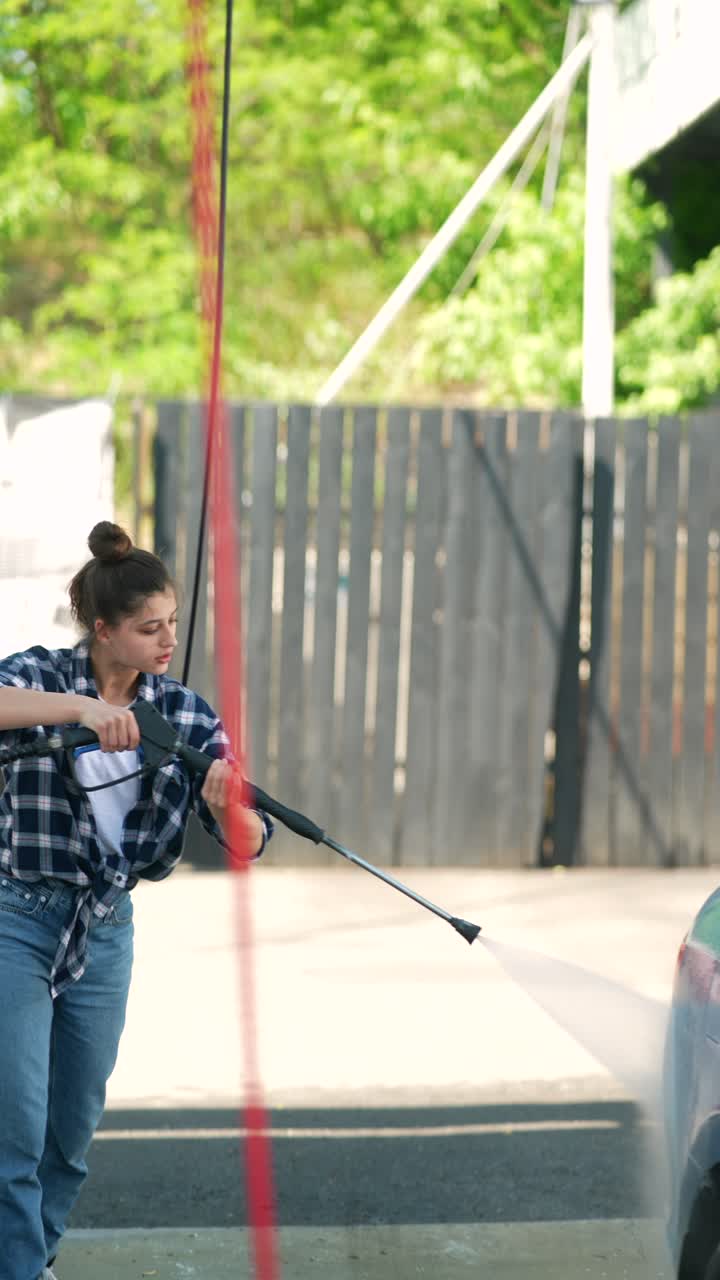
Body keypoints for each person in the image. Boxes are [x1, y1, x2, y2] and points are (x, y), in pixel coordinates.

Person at [0, 520, 271, 1280]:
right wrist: (82, 713)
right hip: (16, 916)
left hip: (105, 929)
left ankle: (30, 1257)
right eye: (149, 627)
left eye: (173, 625)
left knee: (70, 1134)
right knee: (14, 1128)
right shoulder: (43, 673)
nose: (165, 641)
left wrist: (226, 805)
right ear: (102, 628)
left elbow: (247, 841)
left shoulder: (184, 715)